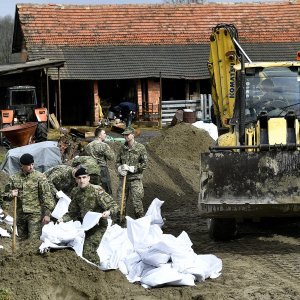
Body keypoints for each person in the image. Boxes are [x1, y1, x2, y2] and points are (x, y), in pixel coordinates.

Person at [67, 167, 119, 265]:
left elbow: (114, 206)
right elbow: (72, 212)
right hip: (85, 226)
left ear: (88, 178)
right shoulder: (75, 192)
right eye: (79, 178)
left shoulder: (97, 191)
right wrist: (61, 220)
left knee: (88, 250)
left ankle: (97, 273)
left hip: (98, 226)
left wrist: (108, 212)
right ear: (76, 179)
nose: (82, 180)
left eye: (84, 177)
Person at [1, 153, 56, 240]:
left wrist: (47, 214)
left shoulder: (40, 177)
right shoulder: (14, 178)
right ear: (22, 165)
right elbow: (4, 196)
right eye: (28, 165)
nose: (31, 167)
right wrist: (11, 195)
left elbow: (46, 196)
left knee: (33, 240)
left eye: (32, 164)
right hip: (20, 214)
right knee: (22, 240)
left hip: (35, 214)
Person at [116, 126, 148, 219]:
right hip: (123, 179)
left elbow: (144, 164)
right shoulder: (122, 148)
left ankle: (140, 222)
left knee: (137, 203)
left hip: (135, 180)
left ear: (133, 135)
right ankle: (121, 222)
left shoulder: (140, 148)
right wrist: (119, 168)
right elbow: (117, 161)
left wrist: (132, 168)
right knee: (120, 202)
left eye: (127, 134)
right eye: (124, 135)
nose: (125, 136)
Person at [84, 127, 114, 194]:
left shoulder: (88, 146)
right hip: (102, 170)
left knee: (93, 190)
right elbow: (111, 157)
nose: (105, 135)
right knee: (106, 190)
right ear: (100, 135)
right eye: (104, 133)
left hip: (91, 170)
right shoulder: (104, 145)